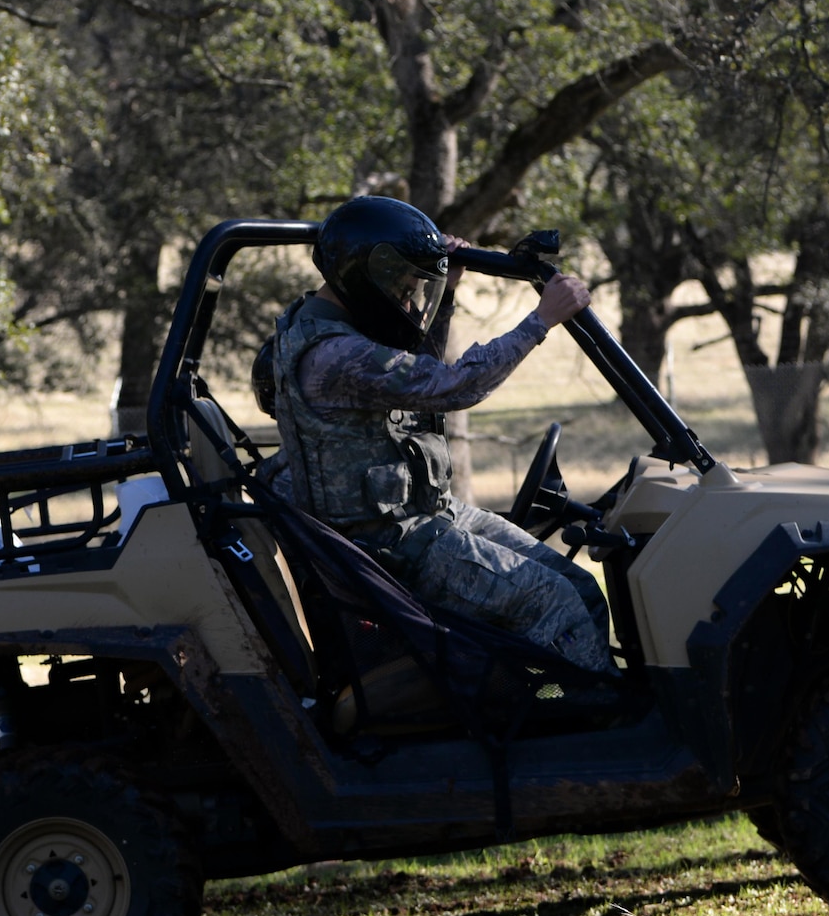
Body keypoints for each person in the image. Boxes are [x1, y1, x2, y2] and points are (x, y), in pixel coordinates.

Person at [258, 195, 614, 673]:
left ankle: (571, 699)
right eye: (403, 286)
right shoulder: (335, 354)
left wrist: (443, 293)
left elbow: (412, 374)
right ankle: (578, 711)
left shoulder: (327, 327)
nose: (409, 300)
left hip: (420, 519)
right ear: (367, 275)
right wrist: (541, 320)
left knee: (582, 589)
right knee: (555, 604)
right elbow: (450, 386)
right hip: (387, 545)